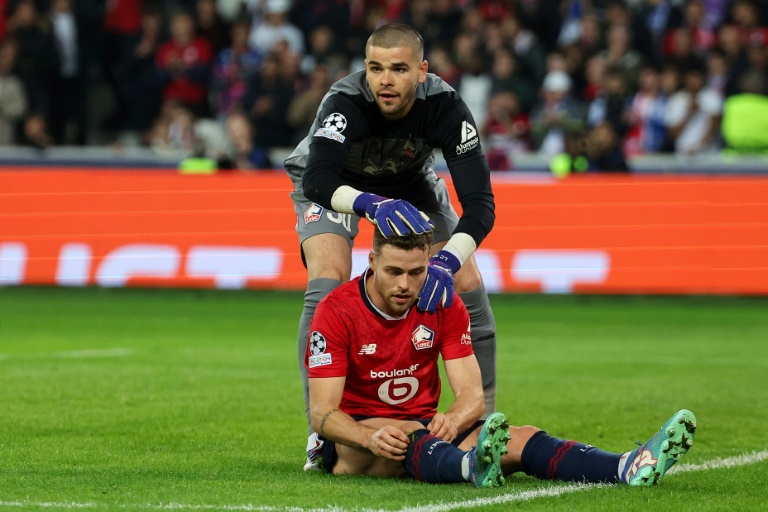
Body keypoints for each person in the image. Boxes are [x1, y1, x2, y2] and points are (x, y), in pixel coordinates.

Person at [306, 229, 697, 487]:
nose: (406, 284)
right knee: (407, 433)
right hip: (354, 442)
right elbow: (322, 413)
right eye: (394, 271)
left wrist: (454, 419)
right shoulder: (336, 311)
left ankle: (626, 466)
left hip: (423, 430)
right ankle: (468, 465)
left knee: (518, 437)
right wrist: (364, 435)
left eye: (417, 272)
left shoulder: (443, 304)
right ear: (371, 262)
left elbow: (472, 395)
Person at [284, 23, 498, 470]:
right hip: (337, 187)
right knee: (328, 277)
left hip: (410, 182)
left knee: (468, 278)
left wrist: (443, 260)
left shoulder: (446, 107)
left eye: (399, 69)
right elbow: (319, 179)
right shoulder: (344, 102)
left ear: (421, 72)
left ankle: (482, 421)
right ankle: (320, 432)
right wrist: (369, 204)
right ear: (366, 67)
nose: (385, 80)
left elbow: (481, 206)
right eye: (376, 68)